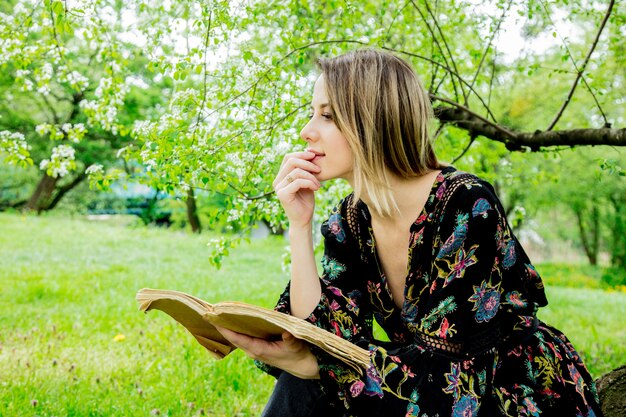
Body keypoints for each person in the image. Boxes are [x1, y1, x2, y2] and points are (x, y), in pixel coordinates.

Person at [215, 49, 603, 417]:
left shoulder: (465, 204)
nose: (306, 132)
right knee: (307, 378)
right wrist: (298, 227)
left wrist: (318, 367)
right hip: (425, 384)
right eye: (313, 114)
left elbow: (454, 377)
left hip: (504, 392)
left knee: (321, 375)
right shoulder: (349, 222)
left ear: (374, 119)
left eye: (328, 116)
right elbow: (324, 336)